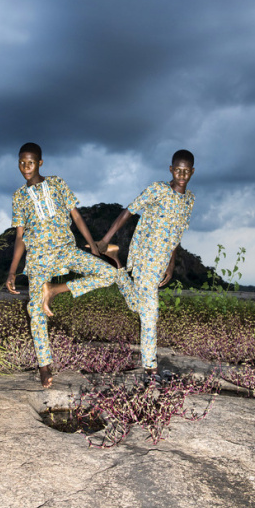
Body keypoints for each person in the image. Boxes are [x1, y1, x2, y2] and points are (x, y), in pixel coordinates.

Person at [6, 142, 119, 388]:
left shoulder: (57, 183)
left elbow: (76, 215)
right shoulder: (18, 196)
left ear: (40, 163)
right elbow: (20, 236)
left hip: (66, 251)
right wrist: (13, 270)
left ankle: (55, 290)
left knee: (109, 273)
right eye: (21, 163)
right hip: (38, 258)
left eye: (30, 162)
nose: (25, 167)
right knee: (36, 310)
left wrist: (93, 246)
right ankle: (44, 366)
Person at [98, 149, 195, 379]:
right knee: (150, 313)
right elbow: (129, 211)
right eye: (177, 170)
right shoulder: (157, 189)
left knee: (139, 306)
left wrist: (171, 264)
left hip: (162, 261)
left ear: (192, 172)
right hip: (144, 257)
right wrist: (105, 239)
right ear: (171, 169)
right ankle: (151, 368)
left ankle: (117, 265)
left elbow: (176, 234)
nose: (181, 175)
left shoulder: (189, 200)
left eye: (186, 171)